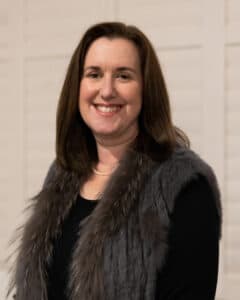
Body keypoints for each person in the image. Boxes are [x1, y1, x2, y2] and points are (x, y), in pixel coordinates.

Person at [8, 22, 222, 300]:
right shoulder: (63, 173)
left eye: (123, 76)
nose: (106, 91)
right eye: (94, 74)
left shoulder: (184, 185)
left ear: (146, 90)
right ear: (77, 87)